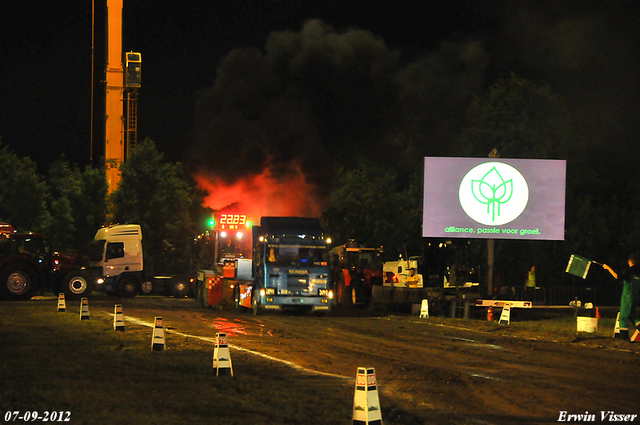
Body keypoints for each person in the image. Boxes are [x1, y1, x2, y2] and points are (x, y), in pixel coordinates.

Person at [603, 253, 640, 341]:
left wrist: (608, 268)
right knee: (632, 315)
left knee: (623, 316)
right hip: (636, 296)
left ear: (629, 262)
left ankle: (624, 337)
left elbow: (618, 276)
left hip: (628, 297)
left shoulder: (630, 271)